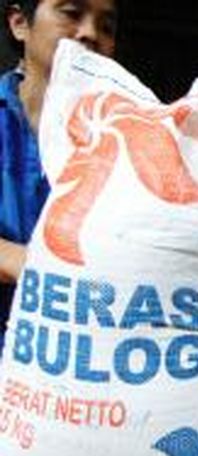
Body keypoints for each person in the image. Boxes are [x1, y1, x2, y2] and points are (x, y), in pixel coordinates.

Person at [0, 0, 117, 353]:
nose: (90, 34)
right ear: (20, 23)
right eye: (71, 13)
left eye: (107, 26)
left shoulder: (120, 138)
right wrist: (35, 265)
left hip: (71, 380)